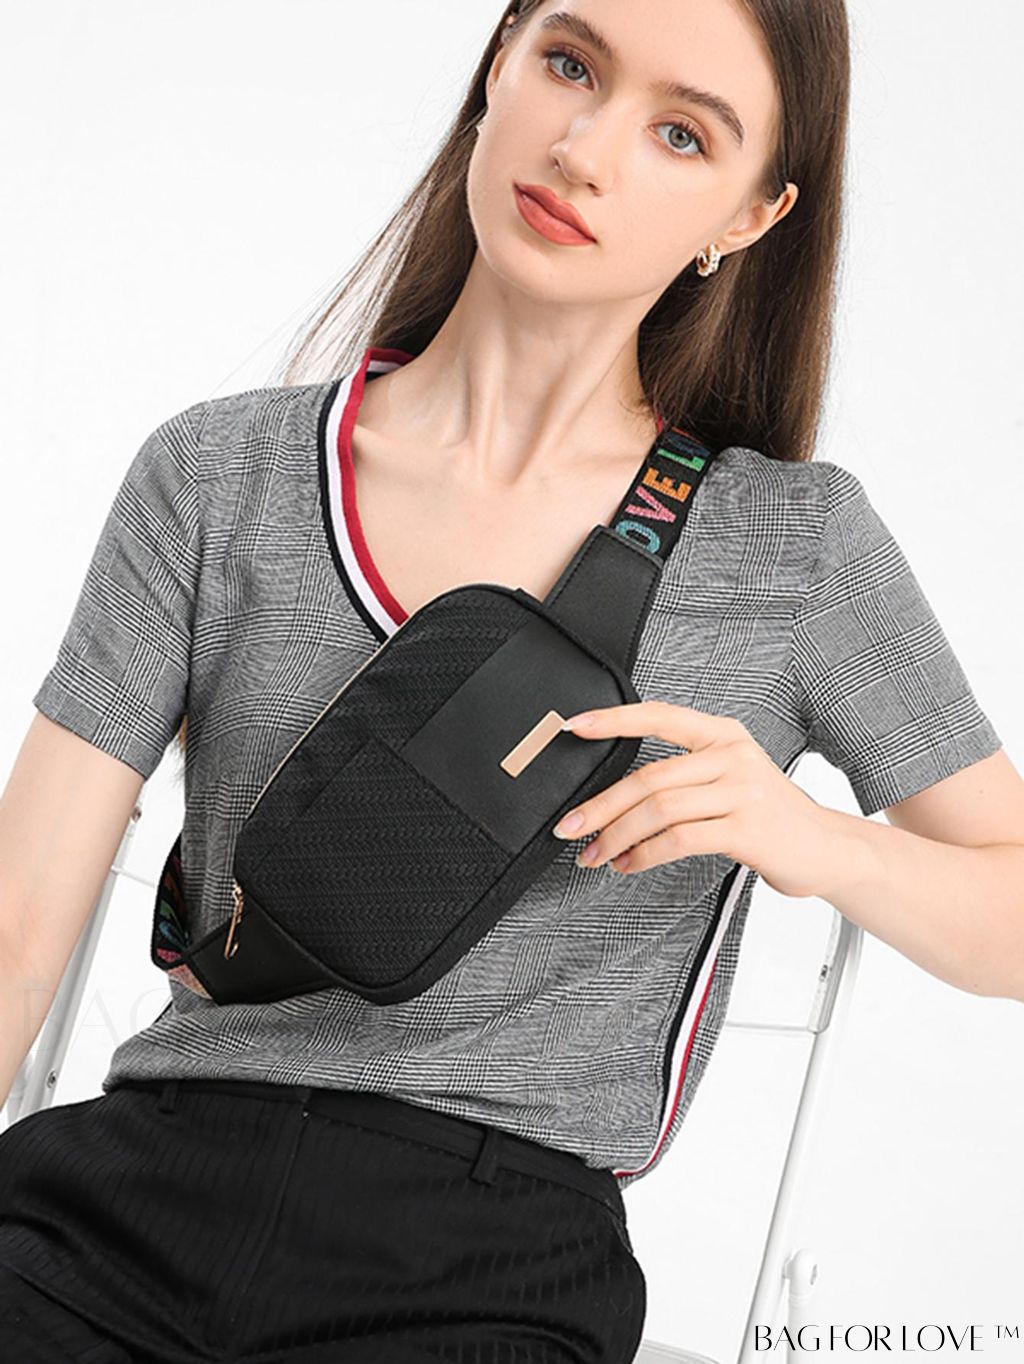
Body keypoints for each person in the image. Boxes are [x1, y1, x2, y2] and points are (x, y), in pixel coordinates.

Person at [1, 0, 1021, 1360]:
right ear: (500, 64)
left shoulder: (795, 550)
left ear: (751, 216)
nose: (584, 150)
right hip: (123, 1210)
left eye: (680, 133)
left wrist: (813, 839)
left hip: (490, 1268)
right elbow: (19, 930)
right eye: (569, 63)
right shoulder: (217, 475)